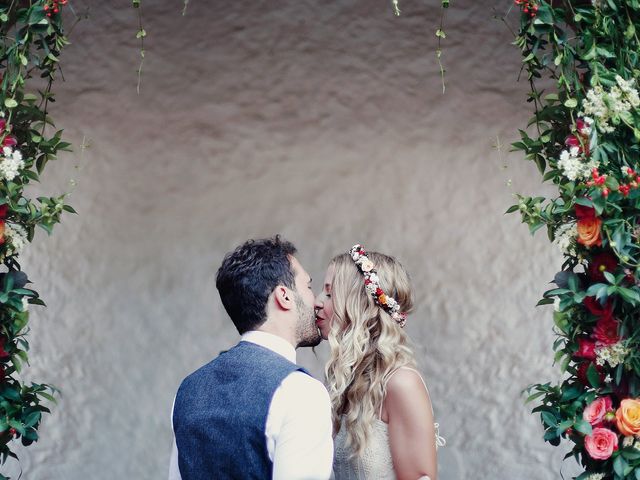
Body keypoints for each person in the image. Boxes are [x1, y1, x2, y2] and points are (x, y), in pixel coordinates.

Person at [169, 236, 333, 480]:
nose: (316, 301)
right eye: (308, 287)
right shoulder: (301, 392)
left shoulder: (188, 390)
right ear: (284, 296)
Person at [315, 245, 445, 480]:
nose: (317, 302)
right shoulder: (347, 382)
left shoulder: (400, 383)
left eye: (329, 293)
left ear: (359, 302)